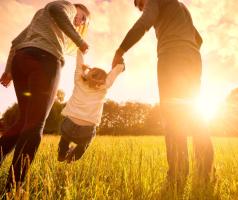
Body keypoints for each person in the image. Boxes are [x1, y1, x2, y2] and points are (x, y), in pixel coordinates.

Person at [112, 0, 213, 182]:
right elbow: (199, 39)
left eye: (141, 4)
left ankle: (177, 176)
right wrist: (186, 49)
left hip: (171, 56)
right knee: (195, 114)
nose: (142, 8)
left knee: (173, 117)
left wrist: (121, 50)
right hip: (193, 58)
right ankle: (205, 173)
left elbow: (144, 23)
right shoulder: (180, 6)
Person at [0, 1, 90, 191]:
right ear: (76, 8)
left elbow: (16, 42)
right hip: (45, 60)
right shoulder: (67, 6)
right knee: (35, 126)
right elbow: (58, 9)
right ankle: (14, 188)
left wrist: (9, 69)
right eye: (82, 17)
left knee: (23, 121)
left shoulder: (41, 17)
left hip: (22, 60)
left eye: (83, 22)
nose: (80, 22)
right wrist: (80, 41)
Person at [58, 50, 124, 163]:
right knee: (84, 145)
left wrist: (80, 51)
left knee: (65, 139)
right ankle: (72, 158)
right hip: (87, 130)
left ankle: (61, 154)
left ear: (89, 74)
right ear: (103, 79)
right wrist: (120, 65)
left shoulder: (79, 80)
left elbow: (79, 64)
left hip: (68, 125)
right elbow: (113, 74)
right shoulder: (104, 87)